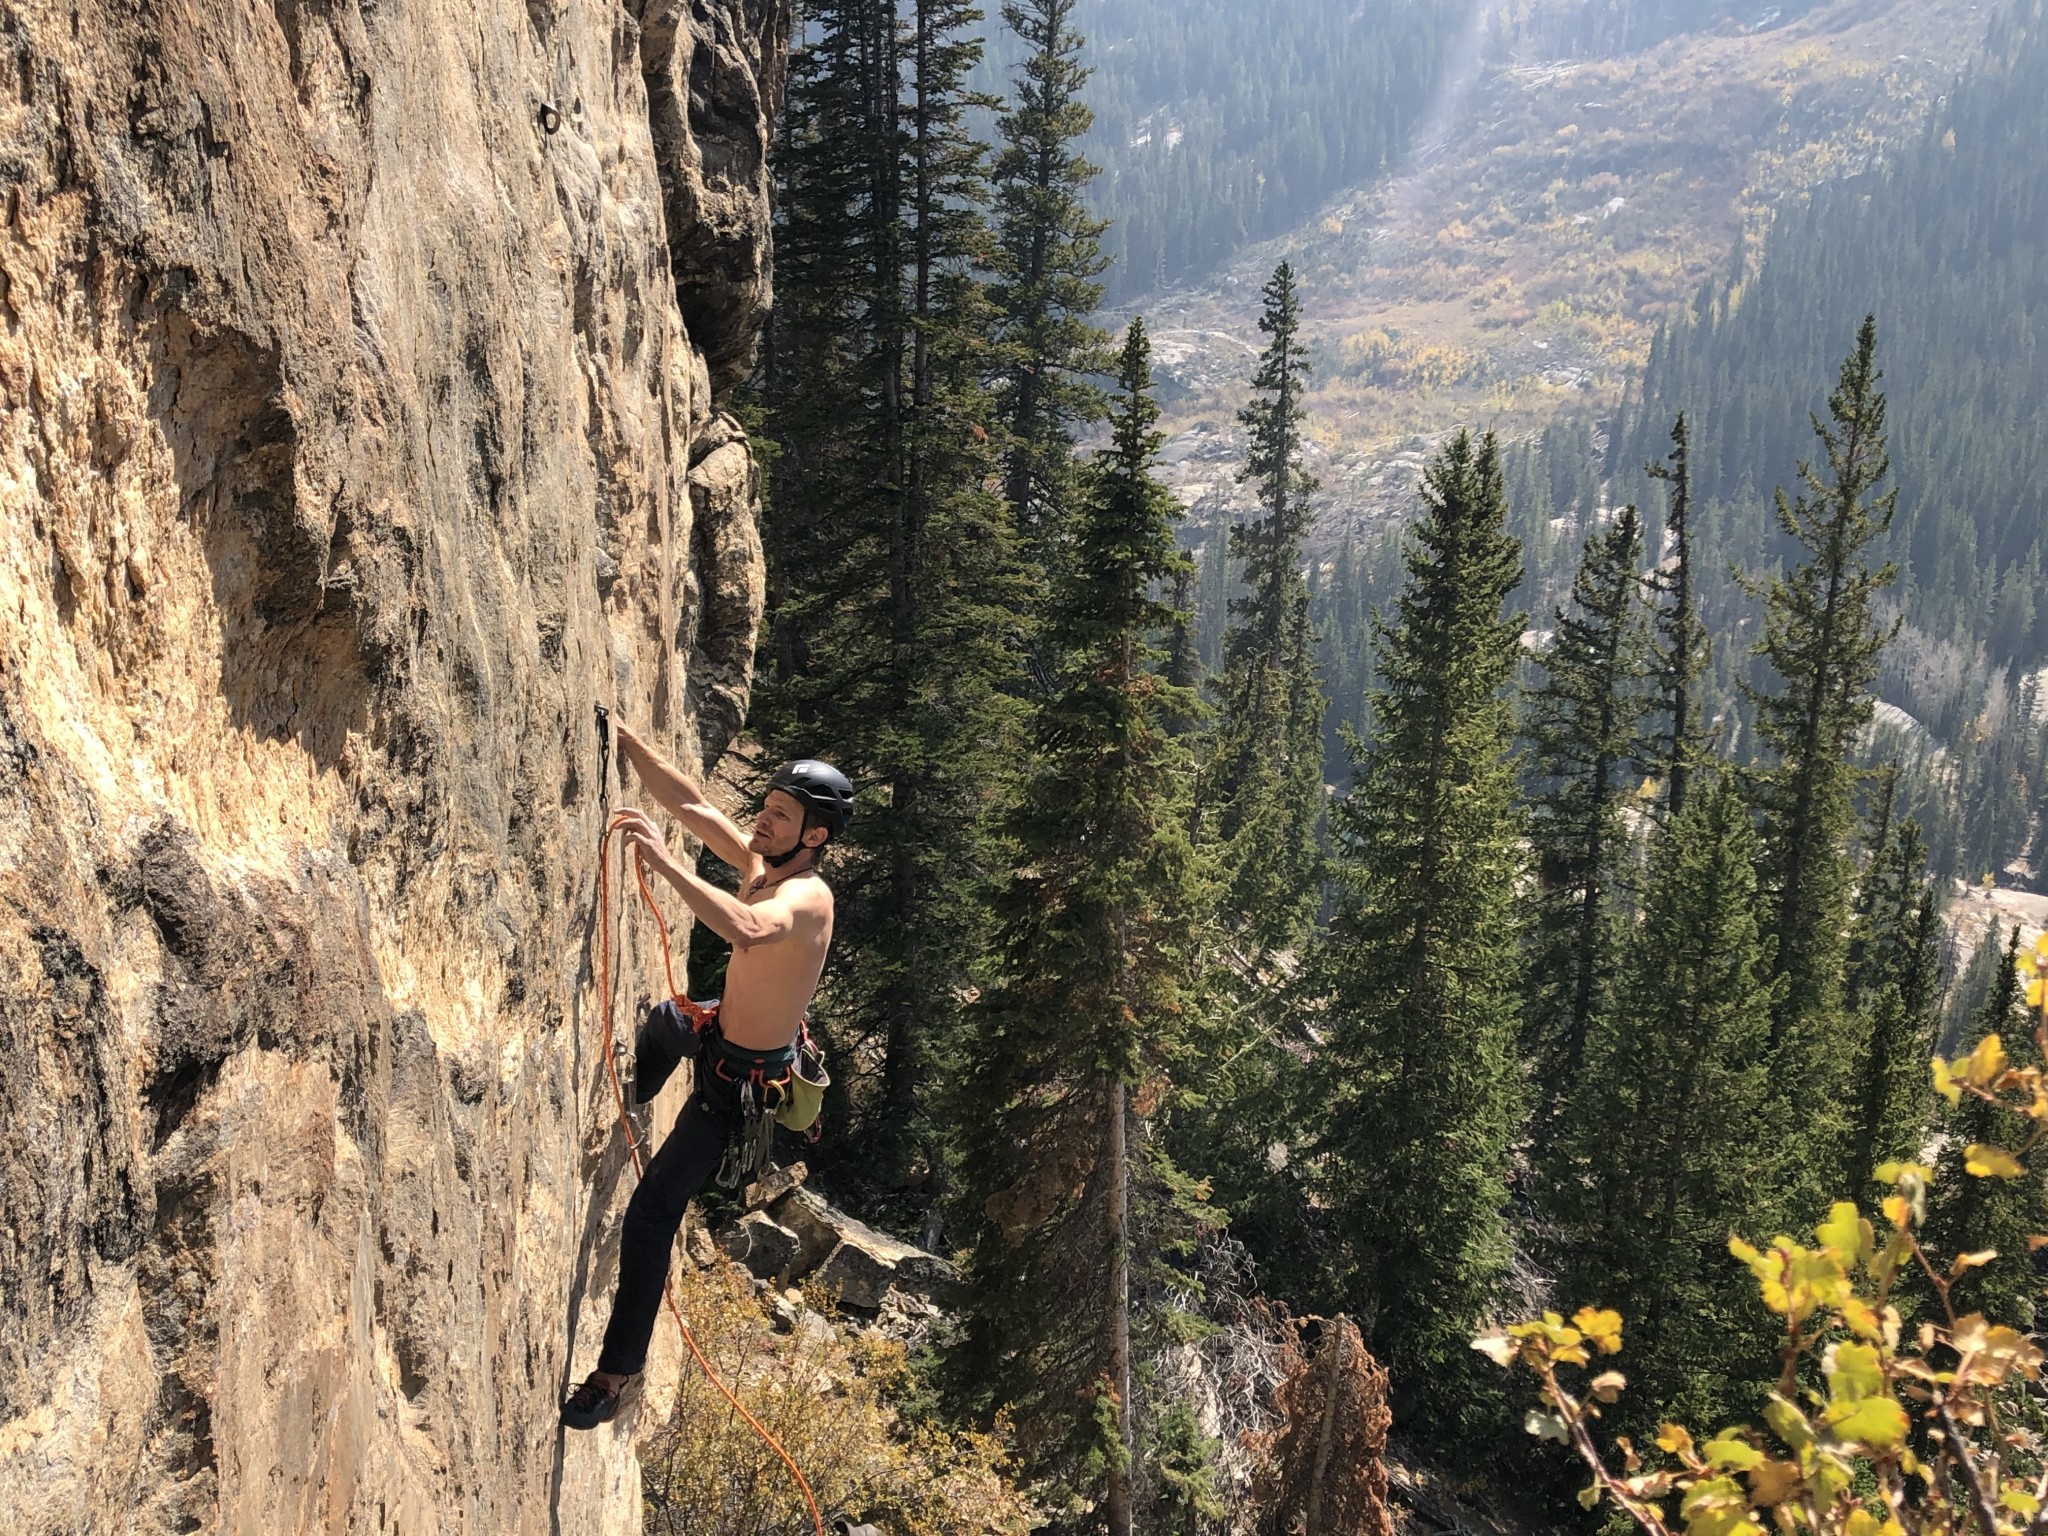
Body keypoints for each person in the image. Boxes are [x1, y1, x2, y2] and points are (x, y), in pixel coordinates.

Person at [561, 725, 850, 1430]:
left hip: (737, 1090)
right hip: (718, 1032)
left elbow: (749, 928)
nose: (763, 820)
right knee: (667, 1021)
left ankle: (614, 1376)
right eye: (768, 806)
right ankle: (634, 1099)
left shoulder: (807, 898)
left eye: (781, 815)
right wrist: (628, 742)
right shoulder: (764, 862)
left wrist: (665, 865)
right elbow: (691, 804)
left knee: (652, 1213)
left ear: (813, 836)